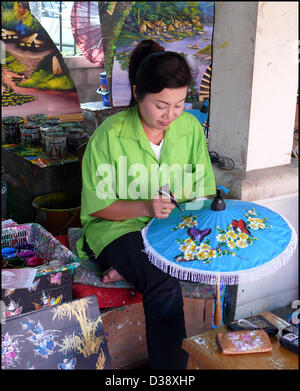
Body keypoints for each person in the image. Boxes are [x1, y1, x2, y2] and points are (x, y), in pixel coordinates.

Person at [76, 39, 216, 370]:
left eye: (180, 104)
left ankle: (128, 265)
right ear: (138, 93)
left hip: (169, 226)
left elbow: (201, 192)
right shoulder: (109, 136)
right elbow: (98, 207)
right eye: (161, 105)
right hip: (118, 226)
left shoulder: (190, 129)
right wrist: (145, 208)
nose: (171, 115)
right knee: (163, 282)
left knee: (216, 255)